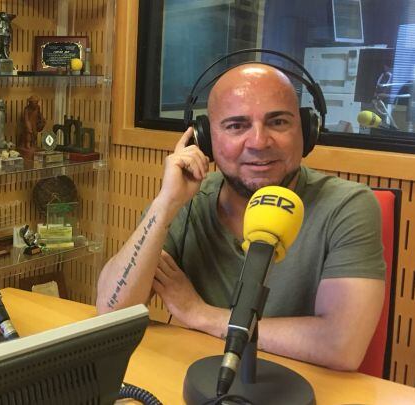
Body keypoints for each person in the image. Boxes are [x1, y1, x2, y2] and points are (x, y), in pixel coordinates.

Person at [96, 63, 385, 371]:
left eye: (278, 122)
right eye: (236, 126)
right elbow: (112, 310)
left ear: (306, 130)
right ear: (205, 140)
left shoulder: (347, 206)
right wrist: (165, 203)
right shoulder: (191, 202)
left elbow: (340, 345)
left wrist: (200, 314)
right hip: (198, 377)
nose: (259, 142)